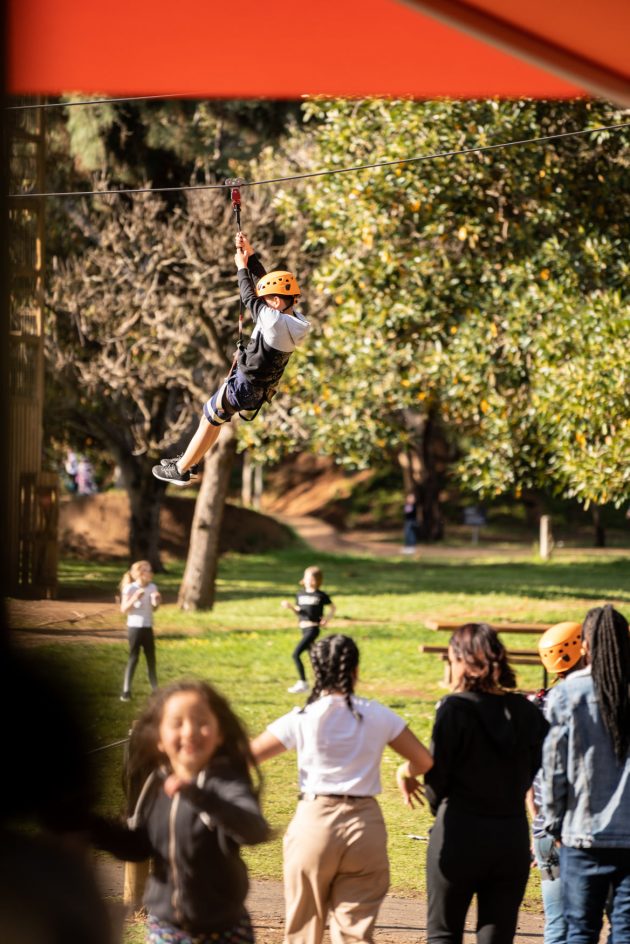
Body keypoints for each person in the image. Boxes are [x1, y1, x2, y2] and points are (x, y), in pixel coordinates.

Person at [250, 633, 433, 944]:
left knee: (303, 930)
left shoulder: (303, 718)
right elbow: (424, 761)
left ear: (316, 670)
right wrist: (405, 772)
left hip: (314, 822)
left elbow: (247, 757)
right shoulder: (378, 714)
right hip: (364, 825)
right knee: (355, 933)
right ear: (355, 670)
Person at [89, 679, 270, 944]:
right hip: (166, 929)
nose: (190, 731)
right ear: (159, 739)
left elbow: (254, 830)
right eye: (177, 723)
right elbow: (139, 846)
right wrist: (91, 826)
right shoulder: (155, 783)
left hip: (224, 932)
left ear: (219, 734)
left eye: (201, 721)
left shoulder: (226, 782)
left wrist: (199, 796)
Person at [408, 623, 548, 944]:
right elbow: (536, 768)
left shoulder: (455, 709)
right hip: (510, 835)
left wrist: (438, 808)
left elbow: (436, 779)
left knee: (444, 934)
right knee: (497, 936)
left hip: (459, 830)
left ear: (462, 660)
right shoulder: (527, 711)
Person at [153, 232, 310, 486]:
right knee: (215, 418)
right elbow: (268, 286)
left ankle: (182, 469)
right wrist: (251, 256)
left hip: (246, 385)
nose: (263, 302)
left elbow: (249, 296)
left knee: (208, 417)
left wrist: (241, 269)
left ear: (278, 302)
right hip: (256, 386)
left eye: (268, 300)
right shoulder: (296, 320)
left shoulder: (272, 320)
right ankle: (189, 462)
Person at [542, 604, 630, 944]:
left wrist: (553, 822)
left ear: (585, 647)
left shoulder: (568, 694)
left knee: (580, 931)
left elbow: (554, 769)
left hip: (582, 835)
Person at [527, 621, 584, 944]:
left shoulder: (538, 704)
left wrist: (535, 828)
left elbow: (530, 779)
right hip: (586, 830)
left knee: (557, 926)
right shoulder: (593, 701)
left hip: (545, 829)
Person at [282, 565, 336, 694]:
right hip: (304, 629)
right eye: (307, 578)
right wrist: (290, 607)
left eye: (311, 578)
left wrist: (326, 619)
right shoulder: (300, 594)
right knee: (315, 658)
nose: (309, 581)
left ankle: (303, 683)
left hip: (313, 629)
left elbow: (333, 607)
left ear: (317, 580)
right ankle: (326, 684)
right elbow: (299, 611)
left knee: (296, 654)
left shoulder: (320, 595)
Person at [120, 560, 161, 702]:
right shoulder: (130, 588)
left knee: (151, 659)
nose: (152, 573)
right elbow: (124, 609)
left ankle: (156, 691)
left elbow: (154, 608)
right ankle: (126, 691)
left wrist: (156, 601)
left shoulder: (152, 587)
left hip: (148, 627)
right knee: (134, 657)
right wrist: (135, 598)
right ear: (141, 573)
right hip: (135, 627)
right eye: (149, 571)